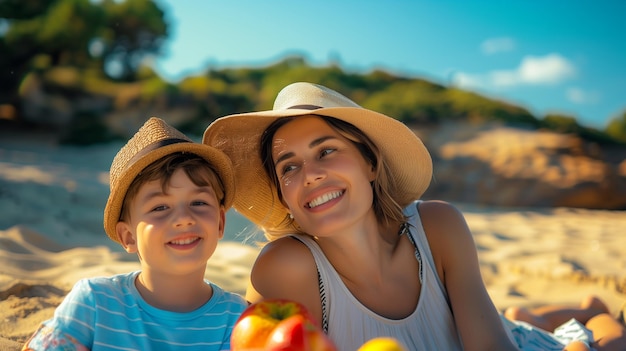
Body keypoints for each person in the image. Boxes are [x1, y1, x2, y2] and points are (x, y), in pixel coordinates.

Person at [203, 82, 626, 351]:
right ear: (285, 195)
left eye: (326, 151)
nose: (310, 175)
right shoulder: (287, 269)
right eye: (288, 167)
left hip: (514, 344)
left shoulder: (438, 227)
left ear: (370, 164)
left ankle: (586, 310)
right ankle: (532, 314)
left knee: (610, 338)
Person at [22, 117, 248, 351]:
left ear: (220, 222)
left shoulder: (237, 318)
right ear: (128, 236)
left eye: (199, 202)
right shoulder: (95, 303)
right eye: (160, 207)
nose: (184, 218)